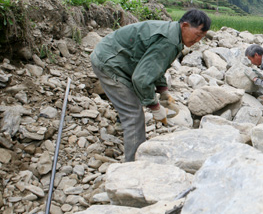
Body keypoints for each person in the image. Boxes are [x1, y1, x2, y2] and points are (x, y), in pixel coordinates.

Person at [90, 9, 211, 162]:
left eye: (202, 37)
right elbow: (141, 79)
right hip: (109, 63)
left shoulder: (173, 32)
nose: (198, 40)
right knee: (134, 116)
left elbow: (156, 65)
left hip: (118, 56)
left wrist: (163, 90)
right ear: (185, 25)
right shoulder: (170, 40)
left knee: (135, 96)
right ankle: (133, 164)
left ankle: (122, 125)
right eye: (198, 35)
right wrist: (155, 107)